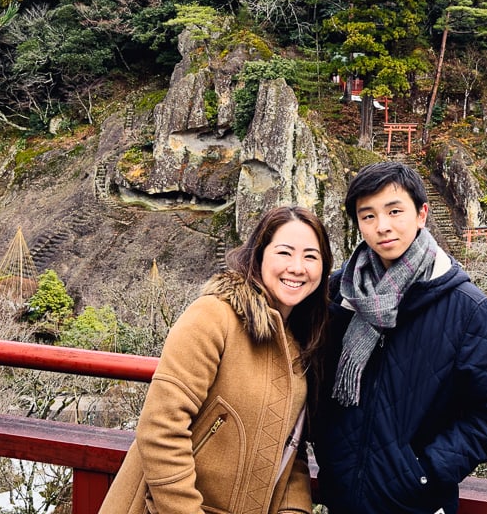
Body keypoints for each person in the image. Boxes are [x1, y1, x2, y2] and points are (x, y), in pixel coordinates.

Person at [311, 161, 487, 514]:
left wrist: (427, 471)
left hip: (417, 502)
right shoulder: (340, 292)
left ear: (422, 214)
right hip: (341, 493)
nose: (383, 227)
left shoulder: (466, 307)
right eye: (368, 216)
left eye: (395, 211)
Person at [99, 206, 331, 514]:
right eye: (284, 253)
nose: (297, 267)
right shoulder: (215, 316)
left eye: (311, 256)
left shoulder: (302, 342)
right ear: (259, 255)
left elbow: (292, 448)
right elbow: (160, 428)